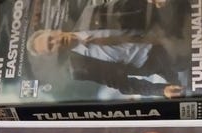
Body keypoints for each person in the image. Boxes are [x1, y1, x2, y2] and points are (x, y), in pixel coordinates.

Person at [26, 0, 192, 98]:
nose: (56, 42)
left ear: (53, 31)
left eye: (50, 38)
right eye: (51, 46)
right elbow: (123, 84)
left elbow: (126, 5)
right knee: (191, 81)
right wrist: (161, 90)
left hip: (162, 26)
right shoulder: (80, 68)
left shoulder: (90, 13)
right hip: (158, 60)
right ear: (54, 54)